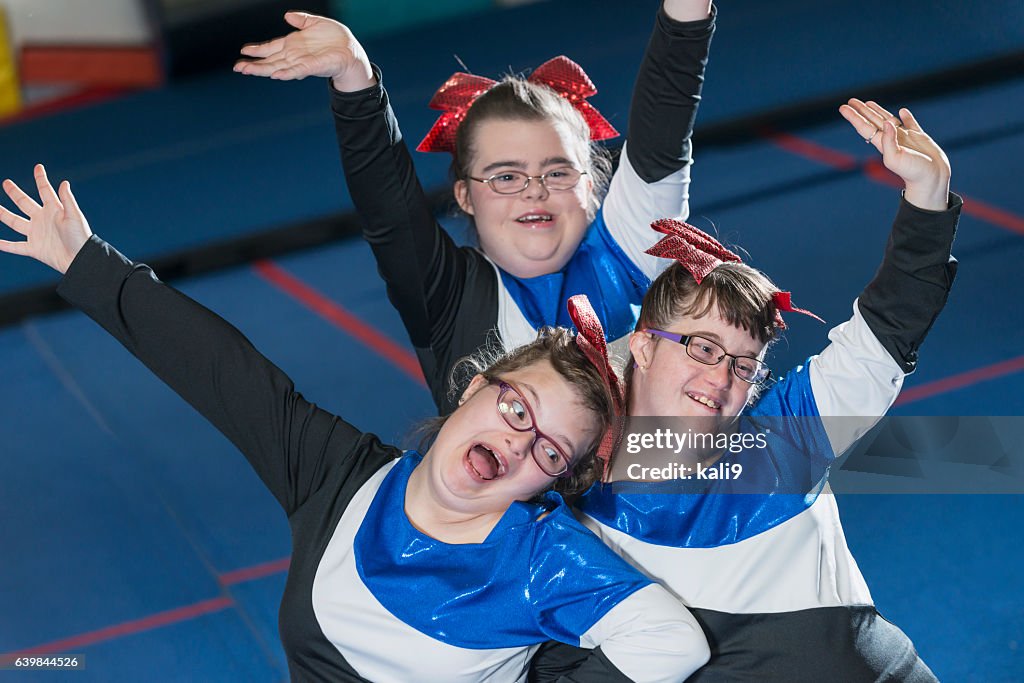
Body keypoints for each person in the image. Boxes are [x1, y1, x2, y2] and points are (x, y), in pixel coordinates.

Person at [0, 166, 711, 682]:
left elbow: (672, 641)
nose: (519, 439)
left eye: (549, 449)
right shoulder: (340, 475)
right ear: (472, 386)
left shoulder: (540, 558)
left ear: (550, 483)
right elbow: (223, 373)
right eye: (517, 408)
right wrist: (87, 265)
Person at [535, 99, 958, 680]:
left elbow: (885, 331)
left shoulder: (784, 442)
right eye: (702, 348)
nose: (720, 378)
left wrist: (928, 201)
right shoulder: (570, 495)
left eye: (743, 365)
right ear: (644, 346)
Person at [234, 1, 716, 413]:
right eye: (506, 176)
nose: (534, 190)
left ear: (591, 185)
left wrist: (688, 11)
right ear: (465, 194)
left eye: (557, 172)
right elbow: (390, 211)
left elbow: (664, 126)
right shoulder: (450, 299)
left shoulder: (633, 253)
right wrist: (354, 79)